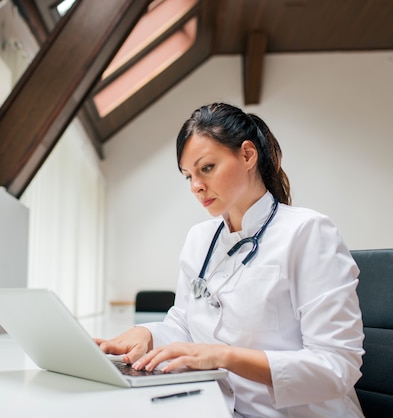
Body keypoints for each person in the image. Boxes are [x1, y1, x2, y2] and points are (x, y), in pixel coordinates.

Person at [95, 102, 365, 417]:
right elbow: (184, 323)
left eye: (206, 168)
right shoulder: (200, 239)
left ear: (248, 155)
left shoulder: (307, 232)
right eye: (188, 176)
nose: (196, 186)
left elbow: (336, 366)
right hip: (217, 407)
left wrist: (225, 356)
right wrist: (149, 334)